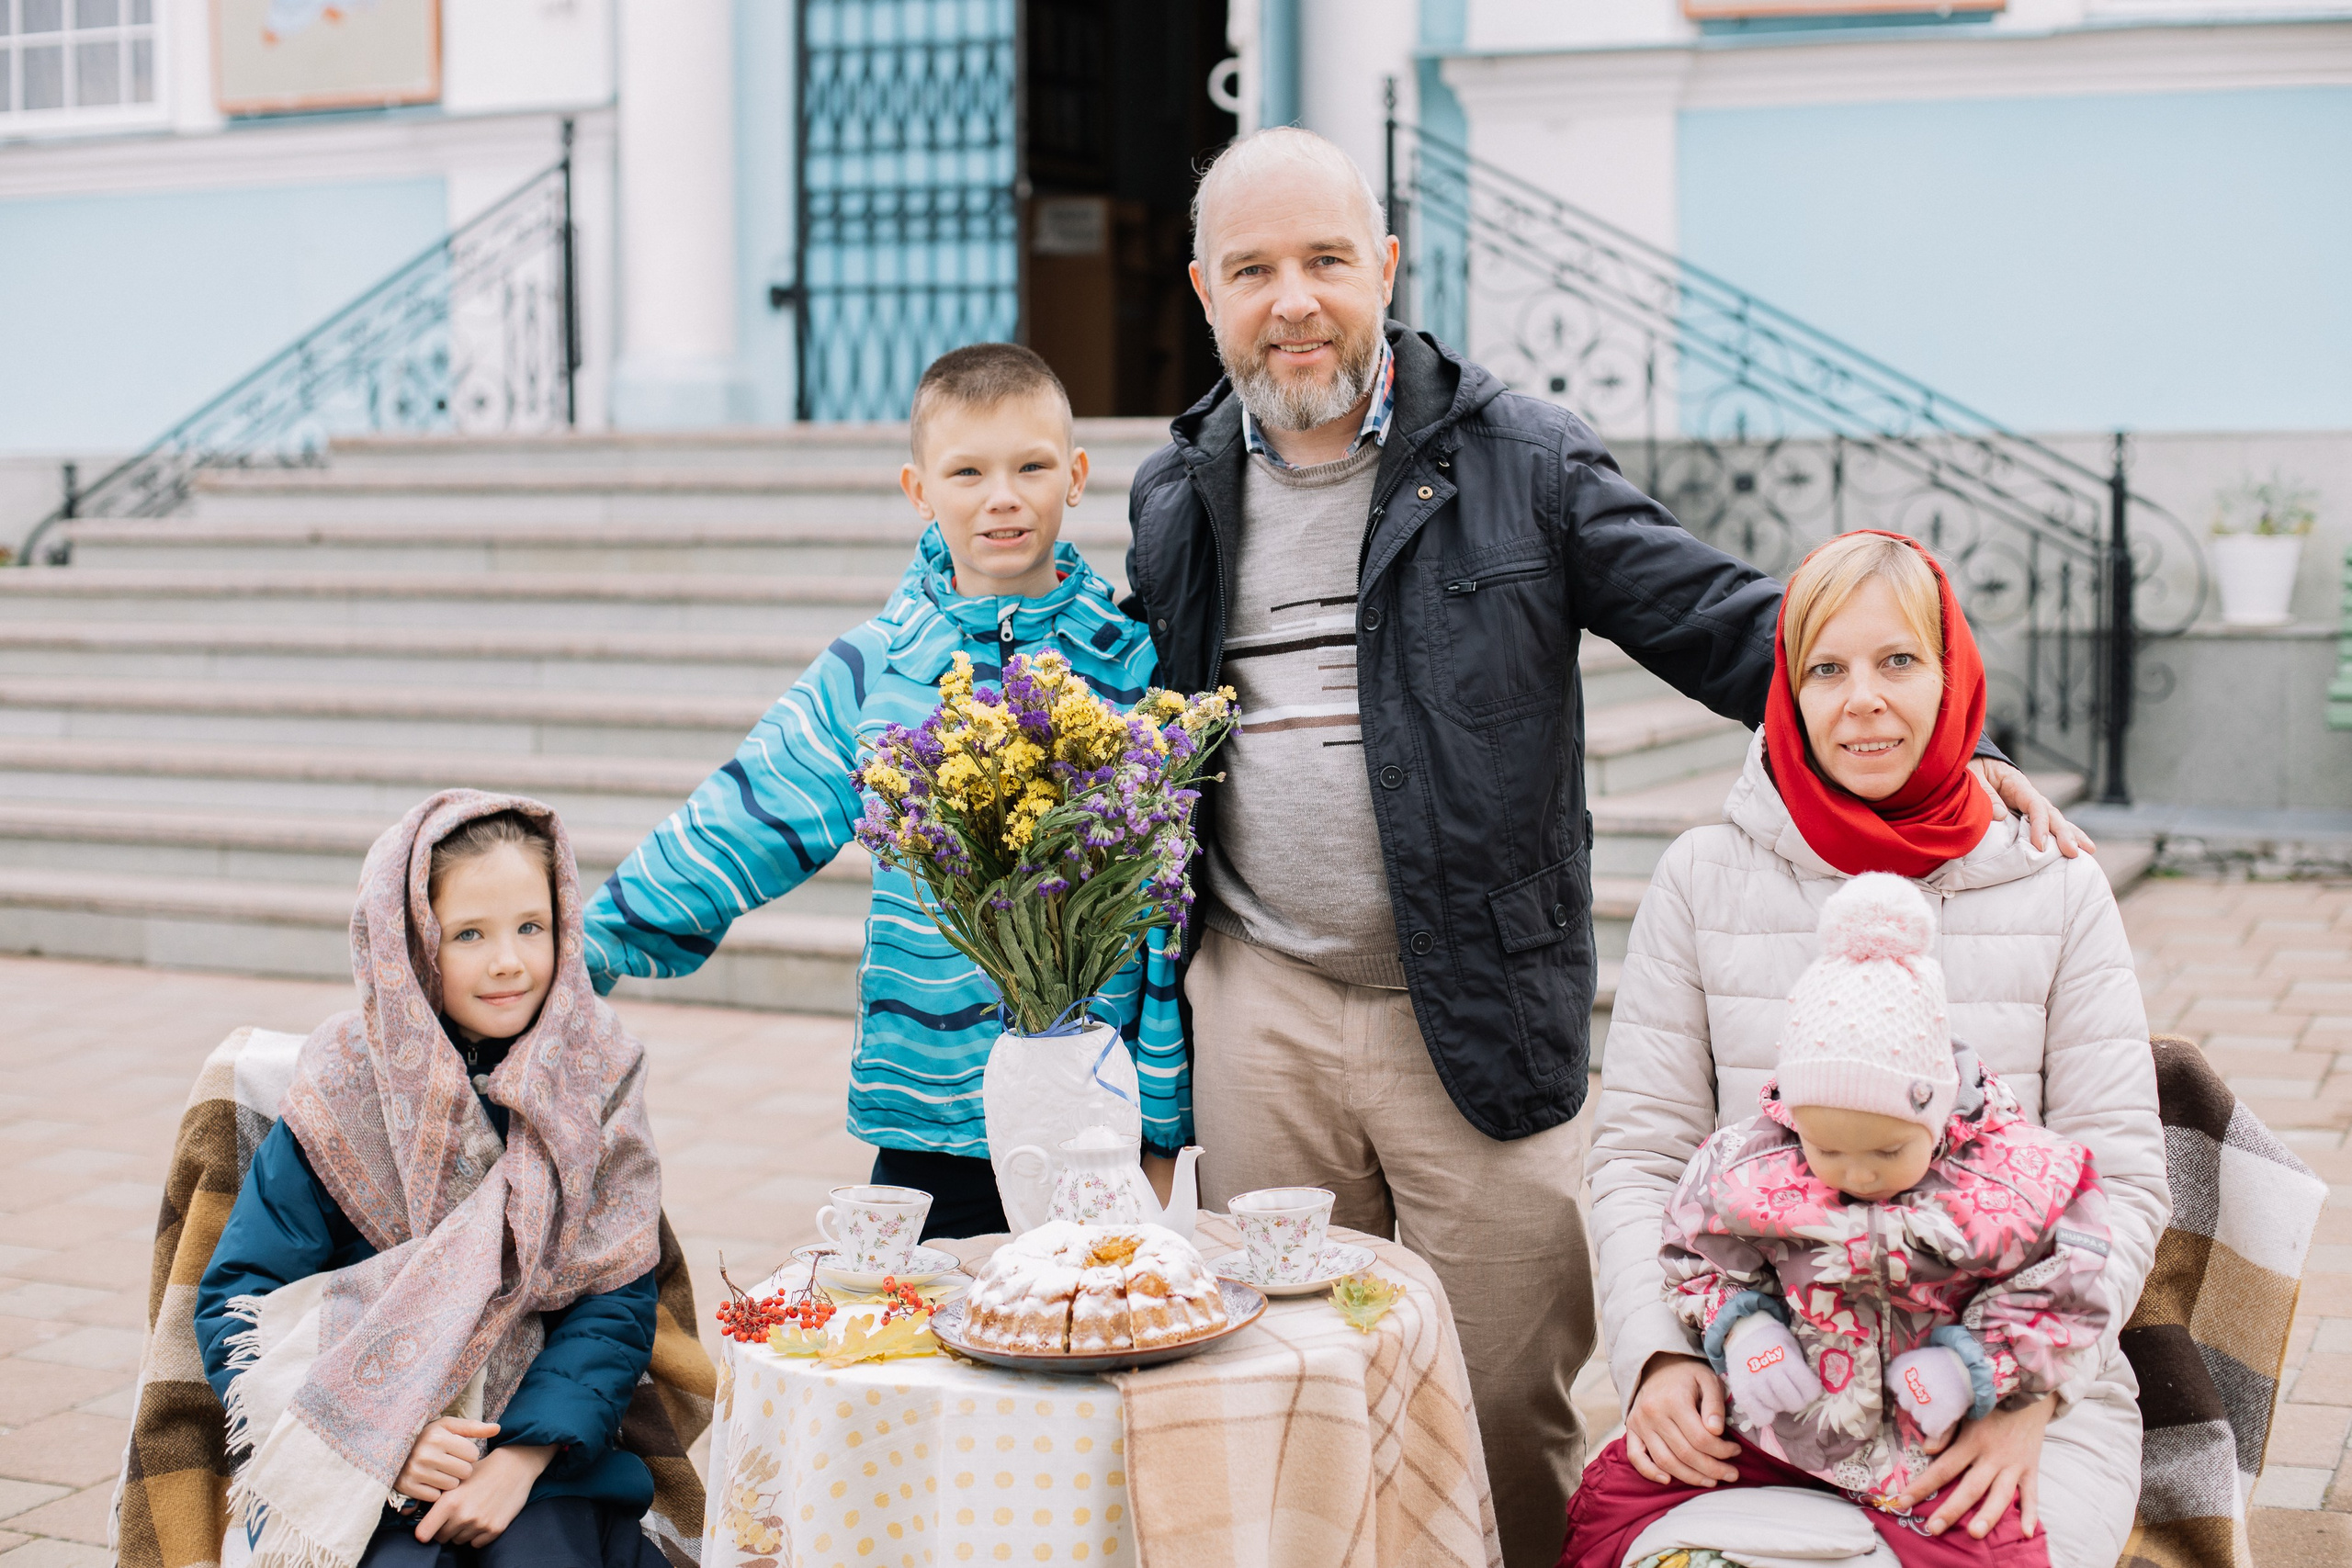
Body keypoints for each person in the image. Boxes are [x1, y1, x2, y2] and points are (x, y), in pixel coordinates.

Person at [1119, 127, 2086, 1567]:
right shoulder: (1177, 489)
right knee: (1288, 1383)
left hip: (1476, 1006)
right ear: (1206, 292)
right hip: (1260, 1000)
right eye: (1253, 270)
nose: (1295, 299)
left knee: (1502, 1403)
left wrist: (1957, 743)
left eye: (1326, 259)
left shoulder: (1522, 457)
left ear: (1386, 266)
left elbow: (1727, 622)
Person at [1588, 531, 2167, 1568]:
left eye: (1898, 660)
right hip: (1757, 1365)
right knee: (1608, 1534)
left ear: (1952, 676)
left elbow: (2119, 1180)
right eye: (1826, 669)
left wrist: (2022, 1395)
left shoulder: (2056, 883)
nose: (1862, 700)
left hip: (2008, 1384)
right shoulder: (1701, 877)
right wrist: (1661, 1356)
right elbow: (1639, 1157)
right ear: (1786, 689)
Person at [582, 344, 1184, 1239]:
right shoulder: (875, 669)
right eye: (967, 472)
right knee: (927, 1322)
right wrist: (589, 945)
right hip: (932, 1110)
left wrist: (1165, 1119)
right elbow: (744, 816)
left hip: (1098, 1107)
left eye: (1031, 467)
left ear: (1076, 475)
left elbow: (1165, 908)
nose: (1002, 497)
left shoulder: (1133, 665)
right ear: (919, 490)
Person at [1565, 873, 2114, 1568]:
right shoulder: (1752, 1162)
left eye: (1887, 1151)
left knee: (1996, 1550)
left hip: (1927, 1441)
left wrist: (1974, 1366)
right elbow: (1693, 1251)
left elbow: (2066, 1284)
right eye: (1828, 1149)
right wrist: (1745, 1329)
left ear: (1937, 1110)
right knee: (1611, 1494)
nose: (1858, 1174)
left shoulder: (2010, 1176)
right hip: (1776, 1421)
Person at [195, 794, 669, 1567]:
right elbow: (241, 1294)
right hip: (370, 1452)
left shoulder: (596, 1077)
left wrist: (523, 1459)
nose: (508, 959)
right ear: (411, 943)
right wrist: (386, 1440)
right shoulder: (345, 1086)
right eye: (469, 933)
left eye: (531, 926)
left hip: (544, 1447)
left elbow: (614, 1301)